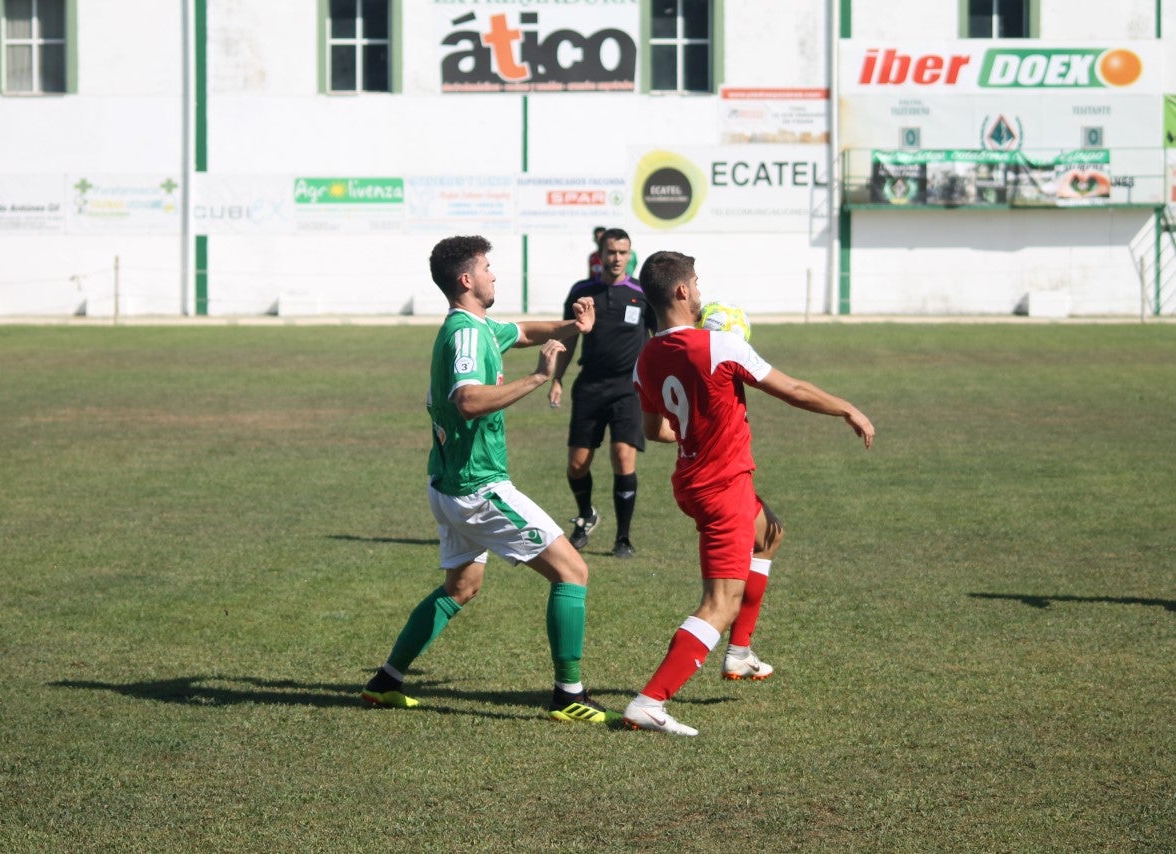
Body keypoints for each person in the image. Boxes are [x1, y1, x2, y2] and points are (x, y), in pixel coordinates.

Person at [361, 234, 619, 725]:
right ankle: (568, 695)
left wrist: (575, 326)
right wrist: (538, 378)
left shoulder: (478, 325)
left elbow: (523, 331)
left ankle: (386, 681)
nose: (494, 275)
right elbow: (467, 400)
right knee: (572, 572)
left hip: (447, 484)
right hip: (477, 488)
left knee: (461, 586)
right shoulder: (465, 335)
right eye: (486, 268)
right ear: (466, 279)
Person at [622, 250, 875, 736]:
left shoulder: (646, 357)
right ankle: (650, 701)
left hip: (693, 481)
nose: (700, 291)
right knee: (719, 602)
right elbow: (793, 389)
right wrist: (847, 408)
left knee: (769, 534)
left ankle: (739, 653)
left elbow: (656, 430)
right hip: (722, 487)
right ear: (681, 291)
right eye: (696, 283)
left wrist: (698, 424)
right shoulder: (721, 346)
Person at [550, 227, 656, 559]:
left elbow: (659, 339)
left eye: (623, 252)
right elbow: (569, 338)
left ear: (629, 254)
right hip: (590, 387)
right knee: (577, 465)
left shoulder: (642, 293)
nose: (617, 258)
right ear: (600, 254)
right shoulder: (582, 292)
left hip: (629, 388)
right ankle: (586, 515)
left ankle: (623, 538)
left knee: (623, 457)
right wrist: (557, 378)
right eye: (611, 252)